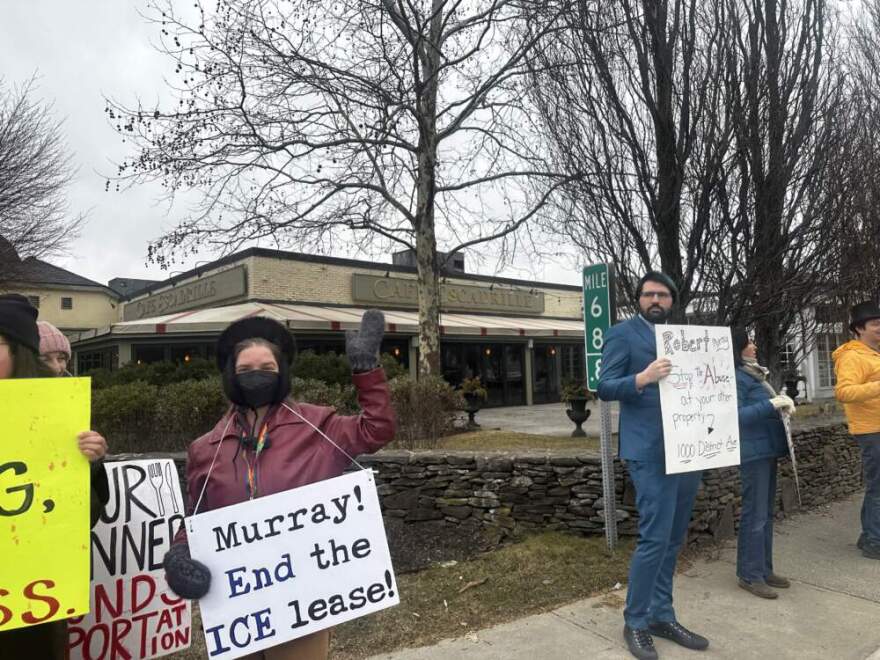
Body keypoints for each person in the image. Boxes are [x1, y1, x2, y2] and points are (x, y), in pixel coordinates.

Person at [163, 310, 396, 659]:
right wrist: (179, 555)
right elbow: (197, 517)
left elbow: (376, 429)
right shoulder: (205, 449)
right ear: (230, 376)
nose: (256, 377)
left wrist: (366, 371)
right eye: (245, 370)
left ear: (282, 373)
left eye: (267, 369)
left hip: (303, 601)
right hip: (237, 607)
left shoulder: (319, 427)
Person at [598, 272, 708, 660]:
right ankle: (636, 620)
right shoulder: (623, 334)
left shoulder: (684, 337)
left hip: (688, 447)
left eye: (663, 294)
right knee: (654, 538)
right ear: (639, 299)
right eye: (649, 294)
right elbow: (604, 385)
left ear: (672, 300)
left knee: (675, 538)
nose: (656, 299)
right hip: (648, 449)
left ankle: (663, 614)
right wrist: (642, 378)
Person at [0, 294, 109, 658]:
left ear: (19, 351)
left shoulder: (59, 419)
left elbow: (84, 517)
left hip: (29, 605)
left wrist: (89, 465)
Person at [731, 327, 795, 598]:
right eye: (749, 342)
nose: (755, 346)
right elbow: (735, 415)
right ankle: (749, 574)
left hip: (765, 449)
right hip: (752, 452)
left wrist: (783, 406)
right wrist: (771, 405)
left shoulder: (754, 374)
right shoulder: (736, 377)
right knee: (754, 515)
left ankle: (764, 569)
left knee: (765, 514)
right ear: (738, 347)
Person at [832, 301, 880, 561]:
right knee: (878, 489)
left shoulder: (873, 354)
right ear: (860, 329)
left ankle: (869, 535)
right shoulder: (852, 356)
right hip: (872, 431)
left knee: (877, 487)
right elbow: (843, 392)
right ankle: (875, 541)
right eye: (875, 324)